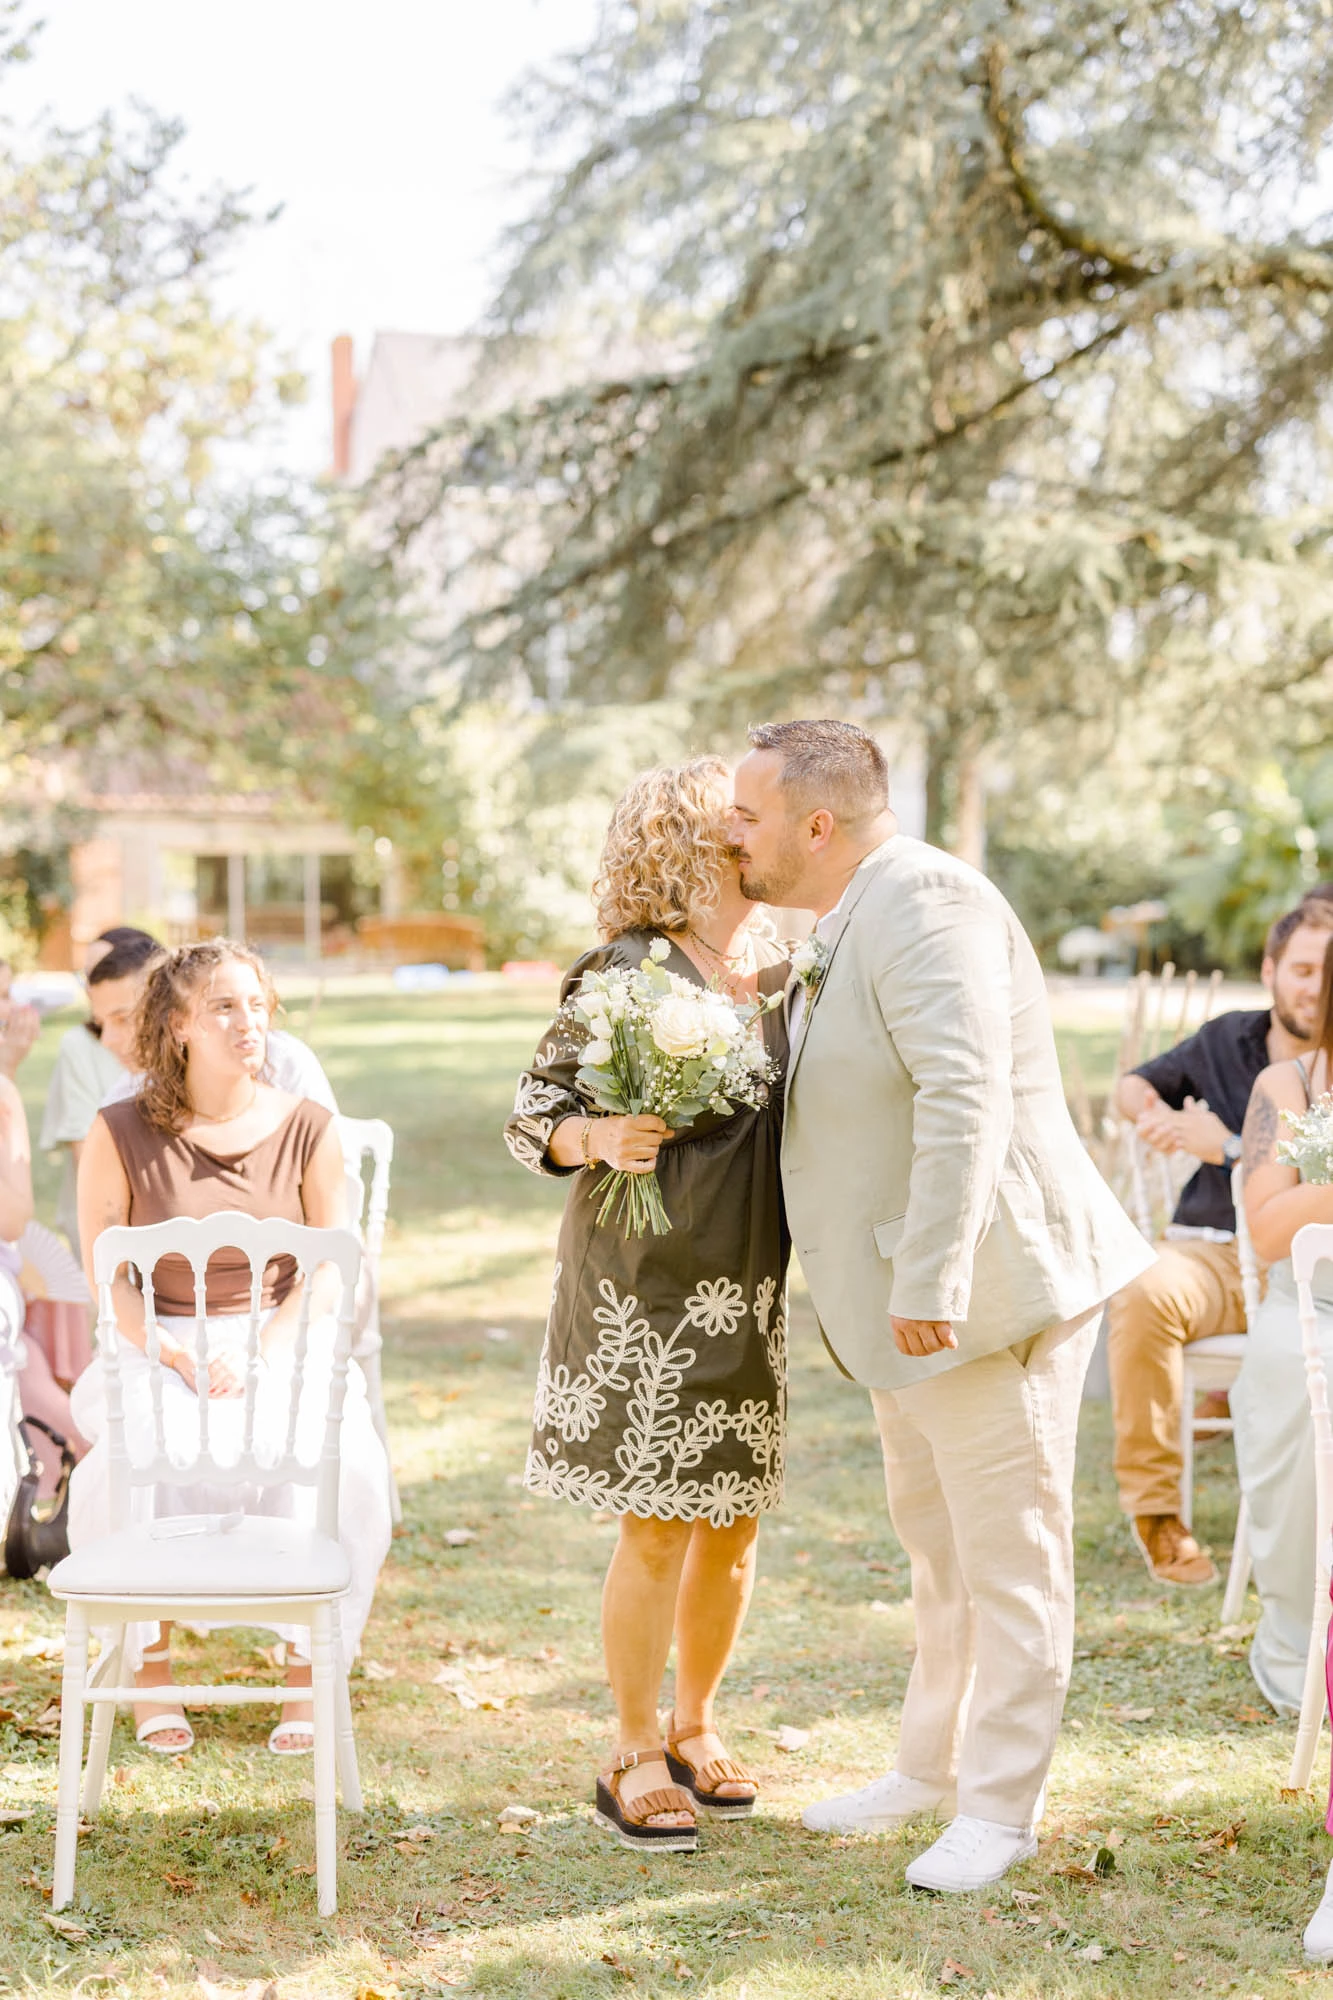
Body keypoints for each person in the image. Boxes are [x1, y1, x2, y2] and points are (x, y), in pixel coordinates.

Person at [729, 718, 1153, 1894]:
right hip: (900, 1302)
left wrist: (932, 1275)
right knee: (939, 1549)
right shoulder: (841, 915)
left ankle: (1002, 1807)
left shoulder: (925, 903)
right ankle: (930, 1766)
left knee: (1009, 1552)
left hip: (978, 1291)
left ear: (818, 824)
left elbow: (965, 1095)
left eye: (746, 811)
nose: (731, 830)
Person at [504, 759, 789, 1855]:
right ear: (692, 841)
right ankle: (630, 1742)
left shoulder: (769, 964)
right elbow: (534, 1115)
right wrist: (597, 1137)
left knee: (734, 1518)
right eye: (740, 819)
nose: (756, 834)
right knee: (660, 1520)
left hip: (746, 1275)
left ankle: (699, 1719)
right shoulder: (625, 972)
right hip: (646, 1281)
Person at [68, 939, 390, 1756]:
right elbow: (106, 1274)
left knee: (345, 1462)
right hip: (157, 1337)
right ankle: (150, 1665)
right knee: (129, 1461)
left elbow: (328, 1269)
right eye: (222, 1006)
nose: (248, 1022)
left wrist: (263, 1352)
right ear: (176, 1023)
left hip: (280, 1332)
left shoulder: (310, 1127)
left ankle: (304, 1669)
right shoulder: (115, 1130)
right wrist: (173, 1356)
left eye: (256, 1003)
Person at [1108, 902, 1333, 1585]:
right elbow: (1132, 1085)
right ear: (1269, 971)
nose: (1314, 986)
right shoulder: (1226, 1040)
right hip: (1213, 1254)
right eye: (1299, 969)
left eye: (1327, 971)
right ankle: (1157, 1516)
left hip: (1311, 1263)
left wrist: (1230, 1146)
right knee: (1143, 1287)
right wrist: (1156, 1118)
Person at [43, 928, 337, 1255]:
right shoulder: (121, 1105)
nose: (108, 1039)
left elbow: (334, 1204)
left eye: (124, 1018)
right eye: (101, 1024)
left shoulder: (285, 1067)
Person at [1232, 945, 1333, 1720]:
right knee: (1307, 1379)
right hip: (1308, 1312)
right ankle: (1305, 1646)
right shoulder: (1288, 1085)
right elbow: (1267, 1232)